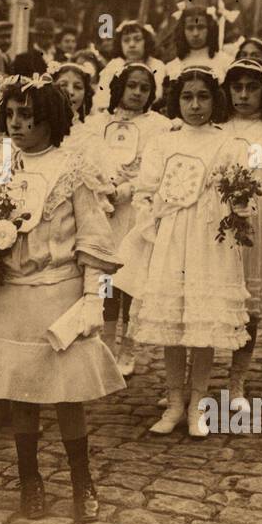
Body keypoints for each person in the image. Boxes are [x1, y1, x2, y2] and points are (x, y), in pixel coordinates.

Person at [0, 76, 124, 522]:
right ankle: (30, 481)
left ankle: (83, 483)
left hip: (58, 292)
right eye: (11, 116)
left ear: (51, 119)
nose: (16, 124)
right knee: (20, 393)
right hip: (12, 293)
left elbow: (94, 239)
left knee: (67, 395)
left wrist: (90, 299)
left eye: (27, 116)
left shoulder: (73, 169)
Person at [115, 65, 251, 436]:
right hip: (172, 238)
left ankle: (198, 405)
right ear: (177, 100)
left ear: (214, 99)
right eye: (187, 97)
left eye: (203, 96)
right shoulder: (164, 141)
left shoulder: (228, 143)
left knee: (201, 325)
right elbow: (146, 191)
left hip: (209, 240)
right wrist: (152, 225)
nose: (195, 105)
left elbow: (242, 192)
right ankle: (174, 402)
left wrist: (238, 203)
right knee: (174, 323)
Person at [77, 62, 170, 375]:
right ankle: (104, 345)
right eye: (132, 86)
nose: (138, 93)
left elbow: (156, 168)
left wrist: (128, 189)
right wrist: (102, 187)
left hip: (135, 210)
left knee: (130, 279)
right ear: (119, 87)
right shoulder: (98, 123)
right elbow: (87, 160)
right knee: (105, 279)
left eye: (145, 88)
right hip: (104, 209)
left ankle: (128, 349)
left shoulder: (158, 126)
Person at [218, 57, 262, 410]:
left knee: (248, 301)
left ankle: (236, 380)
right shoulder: (217, 127)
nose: (243, 95)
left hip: (256, 220)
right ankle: (191, 382)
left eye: (252, 88)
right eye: (237, 88)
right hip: (215, 219)